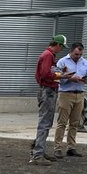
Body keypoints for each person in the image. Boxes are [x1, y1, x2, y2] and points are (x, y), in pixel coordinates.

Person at [29, 33, 65, 165]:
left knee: (46, 122)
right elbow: (45, 73)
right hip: (48, 90)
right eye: (62, 47)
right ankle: (38, 154)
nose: (62, 50)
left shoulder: (47, 55)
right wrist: (61, 76)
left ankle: (39, 150)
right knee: (45, 122)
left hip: (48, 89)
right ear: (58, 45)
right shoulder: (48, 55)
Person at [53, 41, 87, 158]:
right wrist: (70, 78)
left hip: (79, 94)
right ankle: (58, 147)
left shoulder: (85, 62)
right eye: (76, 54)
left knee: (75, 123)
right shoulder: (62, 62)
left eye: (80, 54)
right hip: (66, 94)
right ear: (71, 51)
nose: (78, 57)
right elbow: (56, 78)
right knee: (62, 122)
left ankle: (71, 147)